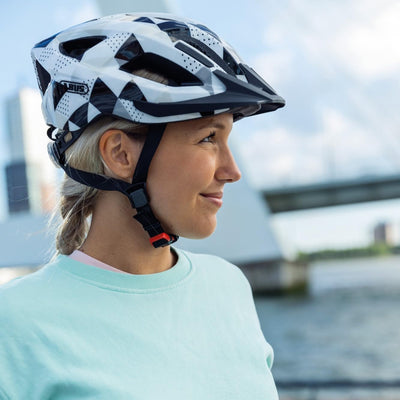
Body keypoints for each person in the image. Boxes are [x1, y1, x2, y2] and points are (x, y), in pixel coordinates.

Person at [0, 13, 285, 400]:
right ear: (119, 154)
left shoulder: (228, 286)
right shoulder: (13, 323)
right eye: (207, 138)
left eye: (228, 139)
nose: (232, 171)